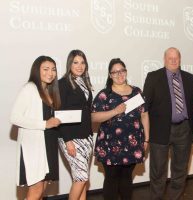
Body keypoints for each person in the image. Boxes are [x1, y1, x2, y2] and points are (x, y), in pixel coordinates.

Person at [143, 47, 193, 200]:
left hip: (184, 129)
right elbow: (145, 106)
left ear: (180, 59)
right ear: (164, 59)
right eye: (170, 58)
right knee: (158, 172)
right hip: (160, 130)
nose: (174, 60)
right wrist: (144, 133)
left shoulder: (190, 78)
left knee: (180, 170)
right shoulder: (153, 77)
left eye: (176, 58)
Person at [92, 58, 149, 200]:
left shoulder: (137, 92)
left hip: (132, 144)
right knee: (111, 179)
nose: (119, 74)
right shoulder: (105, 94)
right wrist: (114, 111)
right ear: (110, 75)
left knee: (126, 179)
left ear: (126, 72)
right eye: (115, 72)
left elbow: (144, 115)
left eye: (122, 70)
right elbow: (93, 117)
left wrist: (147, 138)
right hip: (109, 145)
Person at [10, 56, 61, 199]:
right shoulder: (30, 88)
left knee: (43, 187)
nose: (50, 73)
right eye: (45, 69)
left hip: (48, 143)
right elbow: (14, 117)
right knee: (36, 188)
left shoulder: (50, 91)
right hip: (34, 146)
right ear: (36, 70)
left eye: (53, 69)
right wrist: (45, 124)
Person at [58, 50, 93, 200]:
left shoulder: (84, 82)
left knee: (83, 179)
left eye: (82, 62)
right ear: (69, 64)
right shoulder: (62, 83)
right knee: (81, 178)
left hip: (86, 136)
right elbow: (59, 113)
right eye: (75, 62)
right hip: (70, 137)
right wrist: (68, 141)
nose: (80, 66)